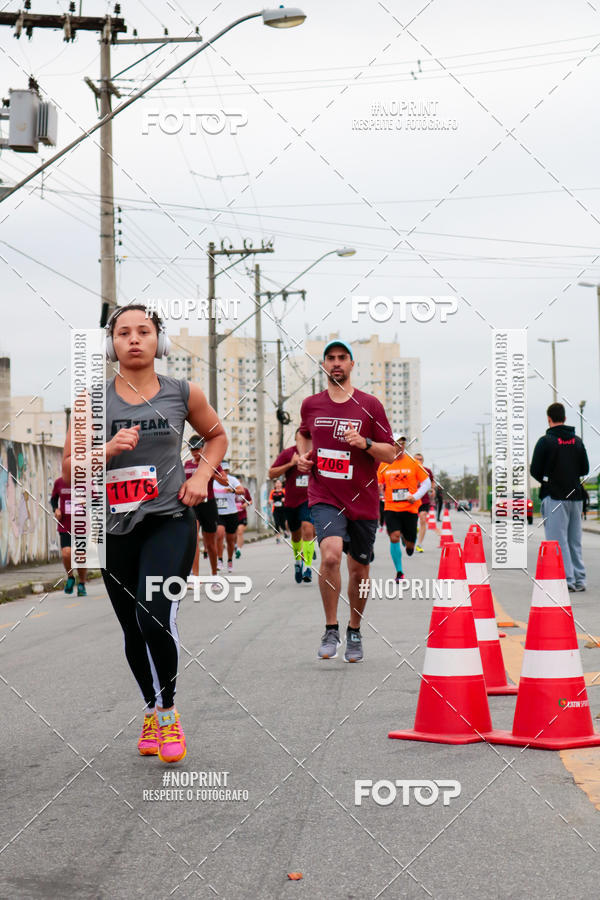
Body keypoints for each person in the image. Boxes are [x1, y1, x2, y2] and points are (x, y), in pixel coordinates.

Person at [63, 304, 227, 764]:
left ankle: (170, 712)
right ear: (110, 344)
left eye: (144, 331)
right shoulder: (90, 401)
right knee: (131, 629)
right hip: (114, 527)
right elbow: (70, 467)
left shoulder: (182, 392)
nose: (133, 339)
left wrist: (200, 478)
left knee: (153, 614)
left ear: (160, 341)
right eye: (123, 333)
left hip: (170, 519)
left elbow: (216, 436)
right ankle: (151, 709)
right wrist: (105, 449)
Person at [297, 339, 395, 662]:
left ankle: (354, 629)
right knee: (329, 556)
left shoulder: (370, 405)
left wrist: (366, 442)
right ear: (324, 365)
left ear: (352, 365)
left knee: (360, 571)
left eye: (342, 358)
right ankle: (331, 627)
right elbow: (303, 433)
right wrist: (302, 456)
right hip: (325, 494)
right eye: (330, 358)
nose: (336, 363)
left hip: (363, 499)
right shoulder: (311, 404)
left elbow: (392, 453)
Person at [531, 402, 589, 591]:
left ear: (549, 419)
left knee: (557, 540)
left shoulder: (545, 441)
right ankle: (579, 578)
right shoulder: (577, 441)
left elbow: (534, 470)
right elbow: (585, 469)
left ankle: (567, 579)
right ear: (564, 418)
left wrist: (548, 480)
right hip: (576, 497)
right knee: (574, 540)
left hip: (554, 497)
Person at [378, 440, 431, 581]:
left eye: (402, 443)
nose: (399, 446)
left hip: (410, 508)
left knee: (410, 547)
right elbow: (378, 482)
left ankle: (407, 540)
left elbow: (427, 483)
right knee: (393, 536)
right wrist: (379, 489)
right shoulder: (384, 464)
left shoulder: (413, 463)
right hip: (391, 507)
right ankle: (399, 572)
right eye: (396, 443)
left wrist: (415, 496)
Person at [269, 432, 316, 583]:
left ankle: (308, 567)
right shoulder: (288, 453)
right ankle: (298, 562)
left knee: (308, 528)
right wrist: (291, 464)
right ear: (297, 439)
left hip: (309, 500)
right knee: (296, 536)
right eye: (302, 438)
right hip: (291, 502)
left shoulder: (316, 453)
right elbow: (271, 473)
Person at [184, 435, 228, 581]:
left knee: (210, 543)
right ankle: (194, 576)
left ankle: (214, 573)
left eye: (197, 449)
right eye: (192, 450)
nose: (195, 452)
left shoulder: (211, 463)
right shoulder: (187, 465)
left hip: (208, 504)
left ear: (203, 448)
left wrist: (211, 471)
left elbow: (225, 482)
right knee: (194, 539)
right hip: (192, 505)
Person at [50, 475, 88, 596]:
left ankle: (82, 583)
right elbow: (53, 499)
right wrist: (56, 509)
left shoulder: (86, 481)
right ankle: (70, 577)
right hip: (65, 524)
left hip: (81, 525)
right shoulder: (59, 482)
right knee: (66, 553)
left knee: (80, 556)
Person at [214, 461, 244, 572]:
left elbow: (242, 490)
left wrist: (233, 490)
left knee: (230, 539)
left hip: (231, 513)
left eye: (226, 471)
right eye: (222, 471)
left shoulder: (232, 480)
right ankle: (220, 560)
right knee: (219, 534)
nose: (224, 473)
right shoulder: (214, 480)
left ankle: (230, 560)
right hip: (218, 514)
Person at [413, 452, 437, 552]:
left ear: (423, 461)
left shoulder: (427, 471)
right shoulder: (409, 470)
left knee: (423, 518)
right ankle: (414, 530)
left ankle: (419, 544)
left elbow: (432, 482)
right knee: (412, 522)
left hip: (424, 500)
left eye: (420, 459)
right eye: (416, 459)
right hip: (412, 500)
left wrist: (432, 489)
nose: (419, 461)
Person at [235, 483, 252, 558]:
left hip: (242, 515)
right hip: (233, 515)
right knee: (234, 533)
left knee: (240, 531)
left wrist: (246, 504)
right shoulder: (231, 491)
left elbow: (250, 501)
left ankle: (238, 550)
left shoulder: (245, 490)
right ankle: (236, 545)